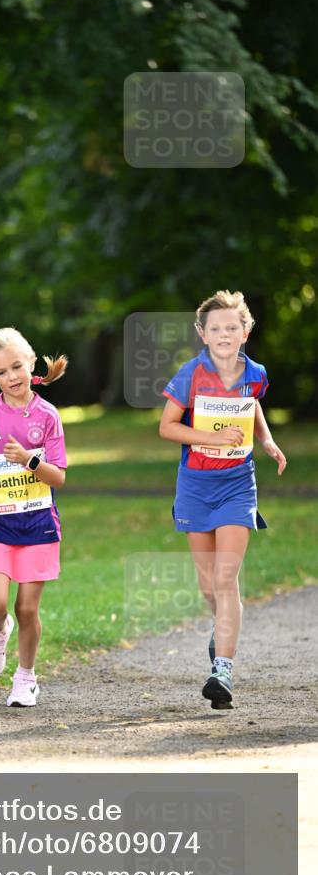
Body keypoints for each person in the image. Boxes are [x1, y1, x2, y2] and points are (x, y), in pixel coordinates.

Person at [159, 290, 286, 710]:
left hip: (237, 484)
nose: (224, 333)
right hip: (195, 486)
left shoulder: (255, 372)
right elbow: (168, 427)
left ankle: (223, 671)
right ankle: (221, 628)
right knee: (208, 585)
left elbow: (251, 407)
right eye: (216, 328)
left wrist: (266, 440)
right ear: (202, 333)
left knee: (226, 578)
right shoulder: (191, 374)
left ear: (245, 332)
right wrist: (211, 437)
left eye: (232, 326)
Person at [0, 327, 68, 707]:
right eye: (1, 372)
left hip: (39, 525)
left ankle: (25, 678)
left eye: (17, 367)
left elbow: (58, 475)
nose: (12, 377)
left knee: (27, 608)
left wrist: (29, 459)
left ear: (30, 361)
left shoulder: (47, 415)